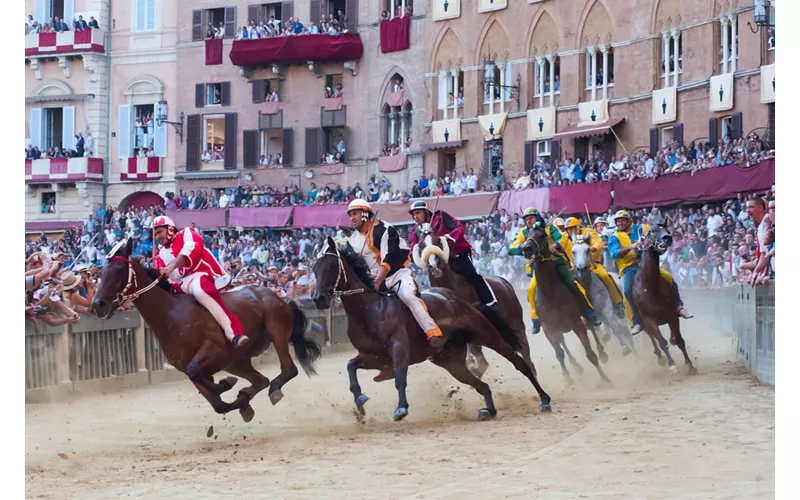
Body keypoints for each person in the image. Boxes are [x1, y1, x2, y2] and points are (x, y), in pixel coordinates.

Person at [345, 199, 444, 352]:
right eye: (350, 215)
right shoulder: (352, 241)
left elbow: (388, 257)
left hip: (397, 276)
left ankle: (432, 332)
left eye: (355, 213)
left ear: (365, 214)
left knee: (408, 296)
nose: (351, 218)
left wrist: (378, 281)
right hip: (373, 280)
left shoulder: (385, 228)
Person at [151, 215, 248, 347]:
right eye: (155, 234)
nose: (157, 237)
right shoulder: (160, 255)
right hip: (182, 285)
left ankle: (233, 332)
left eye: (159, 232)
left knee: (199, 290)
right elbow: (165, 279)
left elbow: (192, 249)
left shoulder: (186, 233)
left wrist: (172, 265)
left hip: (203, 274)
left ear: (169, 229)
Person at [508, 208, 600, 334]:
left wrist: (554, 246)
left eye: (531, 218)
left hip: (556, 261)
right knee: (531, 289)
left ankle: (590, 313)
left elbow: (562, 238)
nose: (529, 221)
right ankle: (535, 319)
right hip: (538, 266)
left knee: (572, 283)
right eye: (527, 219)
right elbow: (511, 248)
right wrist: (523, 247)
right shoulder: (523, 233)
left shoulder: (549, 227)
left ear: (537, 217)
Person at [607, 210, 691, 335]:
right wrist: (631, 247)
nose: (620, 223)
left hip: (647, 263)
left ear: (628, 220)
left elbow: (655, 233)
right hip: (629, 267)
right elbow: (613, 254)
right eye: (618, 221)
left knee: (668, 278)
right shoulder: (615, 237)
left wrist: (662, 231)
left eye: (622, 220)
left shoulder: (642, 228)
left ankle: (678, 306)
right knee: (627, 290)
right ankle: (636, 321)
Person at [407, 200, 497, 307]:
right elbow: (413, 248)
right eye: (413, 214)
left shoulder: (441, 216)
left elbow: (459, 227)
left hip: (457, 255)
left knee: (473, 275)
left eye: (418, 213)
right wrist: (411, 257)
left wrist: (447, 237)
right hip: (435, 263)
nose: (415, 216)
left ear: (426, 212)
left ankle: (490, 301)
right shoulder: (414, 231)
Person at [563, 217, 627, 318]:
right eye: (567, 229)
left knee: (605, 276)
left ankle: (618, 303)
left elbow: (599, 242)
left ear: (578, 227)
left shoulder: (589, 232)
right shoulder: (565, 238)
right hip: (575, 268)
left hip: (593, 265)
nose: (569, 231)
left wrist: (593, 248)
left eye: (571, 228)